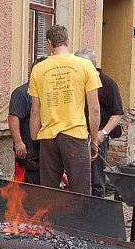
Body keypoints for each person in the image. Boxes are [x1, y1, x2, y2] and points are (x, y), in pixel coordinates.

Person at [28, 25, 101, 195]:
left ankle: (51, 221)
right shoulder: (85, 66)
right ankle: (77, 221)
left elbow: (35, 111)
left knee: (48, 194)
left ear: (49, 43)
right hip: (75, 135)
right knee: (80, 192)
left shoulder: (38, 69)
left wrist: (35, 141)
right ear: (67, 41)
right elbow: (94, 109)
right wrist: (95, 140)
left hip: (48, 137)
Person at [74, 48, 124, 198]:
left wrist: (103, 133)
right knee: (78, 177)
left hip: (98, 135)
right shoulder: (77, 81)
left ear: (91, 65)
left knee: (96, 178)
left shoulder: (108, 84)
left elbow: (117, 113)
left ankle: (96, 210)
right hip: (76, 134)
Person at [8, 74, 41, 185]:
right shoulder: (21, 93)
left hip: (41, 148)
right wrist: (18, 142)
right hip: (27, 149)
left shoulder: (45, 92)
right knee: (24, 184)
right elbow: (13, 117)